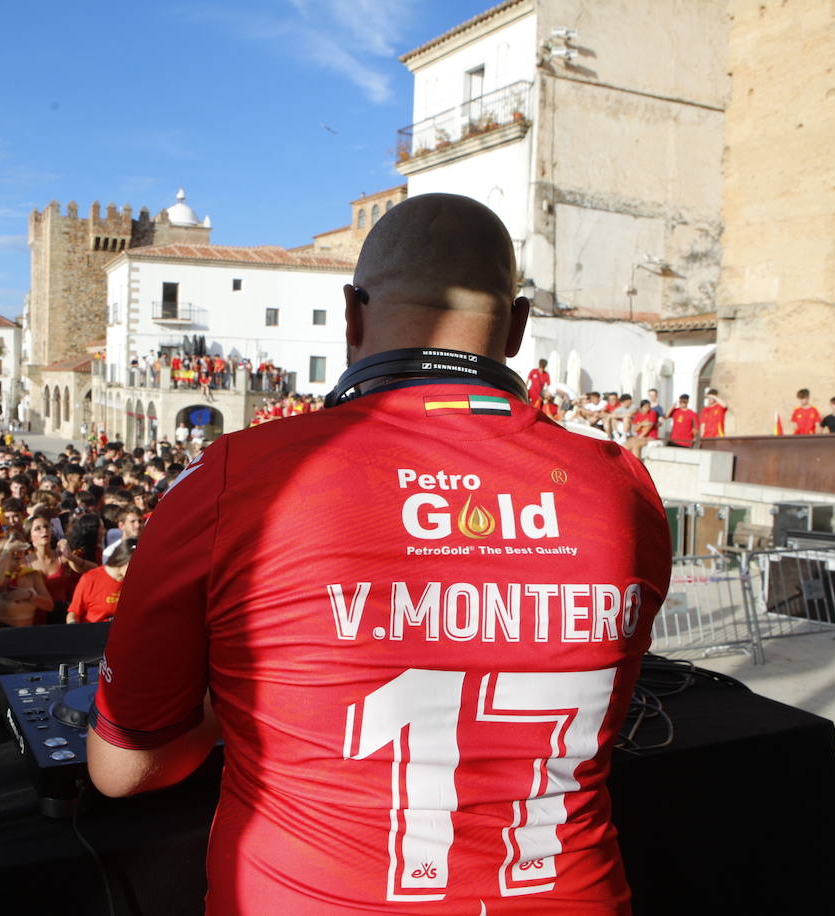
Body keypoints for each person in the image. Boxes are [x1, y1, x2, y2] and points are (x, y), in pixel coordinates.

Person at [87, 193, 671, 914]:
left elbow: (122, 768)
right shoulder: (623, 484)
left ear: (351, 315)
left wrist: (237, 704)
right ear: (516, 327)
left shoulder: (233, 479)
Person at [66, 537, 134, 623]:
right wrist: (73, 627)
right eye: (134, 563)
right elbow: (74, 613)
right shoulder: (90, 579)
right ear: (122, 560)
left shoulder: (137, 582)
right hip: (94, 632)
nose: (138, 568)